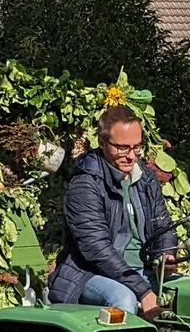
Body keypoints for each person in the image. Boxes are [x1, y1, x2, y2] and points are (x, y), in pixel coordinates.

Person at [48, 105, 179, 317]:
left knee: (188, 292)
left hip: (143, 270)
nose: (131, 156)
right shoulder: (85, 185)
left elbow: (163, 224)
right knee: (123, 299)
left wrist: (165, 254)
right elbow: (96, 249)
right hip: (90, 273)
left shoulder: (146, 178)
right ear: (102, 143)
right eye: (122, 148)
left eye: (136, 147)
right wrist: (143, 291)